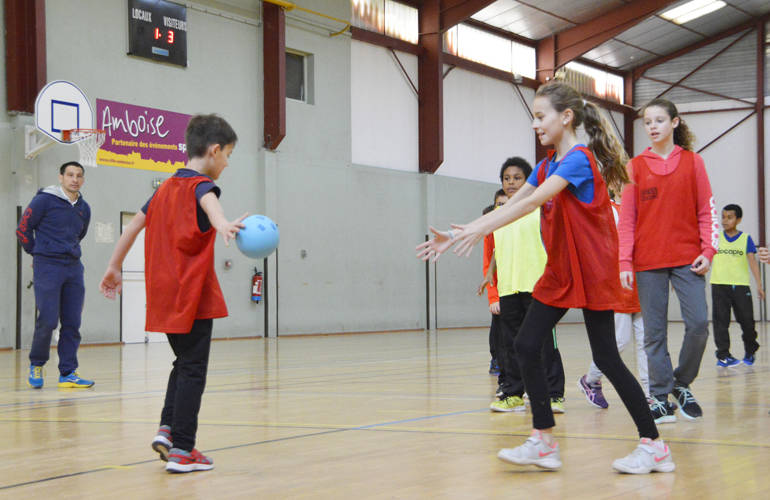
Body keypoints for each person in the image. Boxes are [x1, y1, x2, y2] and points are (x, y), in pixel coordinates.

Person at [417, 81, 673, 474]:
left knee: (605, 355)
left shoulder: (578, 160)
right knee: (525, 343)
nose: (535, 124)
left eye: (541, 116)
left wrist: (476, 232)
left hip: (592, 269)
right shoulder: (548, 163)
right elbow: (515, 200)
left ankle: (654, 445)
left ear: (565, 117)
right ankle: (544, 440)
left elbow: (533, 202)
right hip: (561, 270)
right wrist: (459, 232)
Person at [99, 114, 246, 473]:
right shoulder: (202, 187)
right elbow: (212, 207)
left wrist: (114, 267)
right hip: (192, 296)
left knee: (182, 363)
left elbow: (133, 227)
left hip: (163, 295)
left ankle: (167, 430)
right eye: (228, 154)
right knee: (194, 369)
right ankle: (183, 449)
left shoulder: (162, 189)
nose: (227, 162)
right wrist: (223, 223)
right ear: (214, 151)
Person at [617, 98, 718, 424]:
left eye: (660, 120)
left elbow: (707, 210)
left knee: (699, 325)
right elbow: (627, 219)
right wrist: (624, 262)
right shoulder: (635, 167)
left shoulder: (693, 163)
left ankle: (681, 382)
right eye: (648, 122)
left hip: (689, 259)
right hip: (648, 262)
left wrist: (708, 250)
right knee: (654, 334)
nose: (653, 127)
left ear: (675, 122)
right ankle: (661, 397)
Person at [484, 157, 565, 414]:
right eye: (506, 178)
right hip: (509, 288)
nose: (511, 182)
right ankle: (512, 393)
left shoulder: (540, 210)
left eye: (517, 178)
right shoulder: (497, 216)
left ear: (529, 181)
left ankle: (554, 395)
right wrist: (490, 276)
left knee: (543, 344)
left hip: (538, 287)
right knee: (510, 345)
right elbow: (497, 250)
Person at [16, 161, 94, 389]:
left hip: (73, 268)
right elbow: (23, 228)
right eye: (70, 175)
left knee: (72, 323)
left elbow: (79, 235)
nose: (74, 179)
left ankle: (68, 372)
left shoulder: (84, 208)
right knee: (48, 319)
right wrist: (37, 252)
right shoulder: (44, 200)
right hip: (47, 266)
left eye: (79, 175)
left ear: (82, 179)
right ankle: (37, 363)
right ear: (61, 177)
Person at [579, 194, 649, 408]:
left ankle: (650, 394)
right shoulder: (606, 208)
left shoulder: (641, 208)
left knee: (647, 341)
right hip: (618, 281)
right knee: (619, 341)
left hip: (642, 281)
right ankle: (590, 379)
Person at [710, 204, 763, 367]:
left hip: (740, 286)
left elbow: (752, 262)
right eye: (723, 217)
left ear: (738, 219)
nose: (725, 221)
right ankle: (723, 355)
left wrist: (759, 285)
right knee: (721, 322)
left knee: (747, 322)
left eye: (730, 217)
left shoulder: (745, 238)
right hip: (719, 285)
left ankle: (750, 350)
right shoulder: (716, 237)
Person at [480, 190, 507, 377]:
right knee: (498, 322)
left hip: (522, 288)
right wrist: (493, 297)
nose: (503, 209)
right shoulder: (491, 232)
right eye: (500, 205)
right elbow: (488, 264)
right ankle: (496, 359)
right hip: (502, 288)